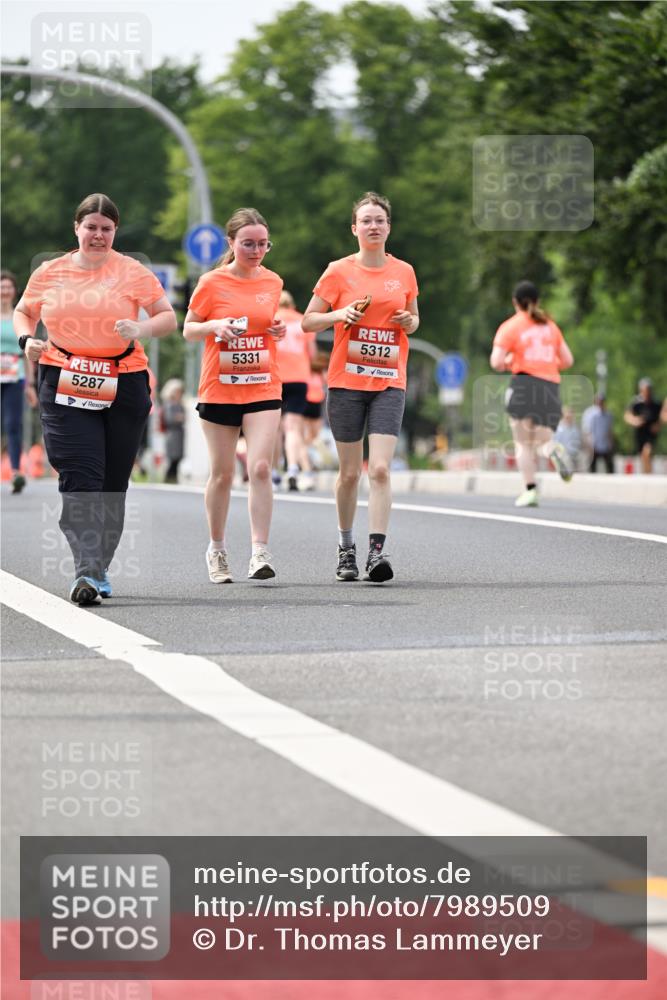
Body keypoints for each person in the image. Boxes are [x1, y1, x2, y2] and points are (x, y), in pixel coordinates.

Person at [13, 193, 177, 604]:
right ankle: (86, 568)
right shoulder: (50, 272)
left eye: (106, 229)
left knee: (112, 482)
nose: (98, 236)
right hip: (64, 375)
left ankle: (99, 563)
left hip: (125, 380)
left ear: (114, 232)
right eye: (91, 228)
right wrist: (26, 340)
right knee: (80, 474)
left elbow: (167, 317)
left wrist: (141, 330)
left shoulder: (133, 271)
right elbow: (24, 312)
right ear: (77, 228)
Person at [302, 191, 419, 583]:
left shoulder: (404, 271)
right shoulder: (338, 271)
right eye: (366, 220)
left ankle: (376, 554)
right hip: (346, 382)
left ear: (389, 228)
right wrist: (340, 313)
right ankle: (346, 548)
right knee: (350, 474)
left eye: (380, 220)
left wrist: (407, 321)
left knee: (381, 469)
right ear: (355, 228)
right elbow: (308, 321)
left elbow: (415, 320)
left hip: (389, 380)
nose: (373, 226)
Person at [183, 207, 286, 584]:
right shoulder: (211, 282)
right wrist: (215, 325)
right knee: (223, 474)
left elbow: (268, 324)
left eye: (263, 244)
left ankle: (259, 551)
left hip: (262, 383)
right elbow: (188, 330)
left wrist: (276, 331)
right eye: (248, 244)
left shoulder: (273, 282)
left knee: (260, 467)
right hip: (220, 386)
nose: (256, 250)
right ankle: (217, 548)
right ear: (231, 243)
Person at [490, 280, 575, 507]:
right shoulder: (550, 326)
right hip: (549, 385)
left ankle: (530, 490)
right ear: (537, 301)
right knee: (544, 440)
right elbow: (567, 360)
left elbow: (496, 361)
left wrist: (512, 361)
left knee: (523, 443)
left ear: (515, 302)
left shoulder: (511, 326)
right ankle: (553, 450)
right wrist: (545, 362)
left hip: (524, 383)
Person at [274, 290, 316, 491]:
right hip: (299, 378)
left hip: (274, 377)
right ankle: (292, 468)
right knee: (293, 428)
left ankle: (273, 471)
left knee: (273, 427)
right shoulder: (302, 322)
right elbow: (313, 353)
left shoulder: (271, 319)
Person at [1, 270, 38, 492]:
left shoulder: (20, 318)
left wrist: (30, 385)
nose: (4, 291)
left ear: (14, 291)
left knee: (12, 425)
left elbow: (28, 352)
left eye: (8, 287)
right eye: (1, 286)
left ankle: (16, 472)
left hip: (15, 377)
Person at [624, 377, 666, 474]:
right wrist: (635, 421)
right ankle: (647, 474)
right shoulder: (636, 403)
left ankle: (648, 474)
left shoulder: (656, 403)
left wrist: (658, 425)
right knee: (643, 456)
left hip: (651, 434)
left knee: (647, 452)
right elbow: (627, 415)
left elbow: (663, 415)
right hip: (640, 434)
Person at [160, 378, 186, 484]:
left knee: (177, 459)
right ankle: (169, 479)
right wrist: (179, 417)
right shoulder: (169, 404)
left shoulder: (179, 404)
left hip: (178, 434)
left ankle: (173, 479)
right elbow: (170, 419)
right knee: (172, 459)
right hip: (172, 434)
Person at [583, 393, 614, 473]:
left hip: (605, 444)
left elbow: (609, 430)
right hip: (594, 444)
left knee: (609, 467)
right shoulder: (590, 414)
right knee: (592, 468)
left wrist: (611, 443)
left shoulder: (608, 415)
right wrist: (589, 443)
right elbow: (587, 430)